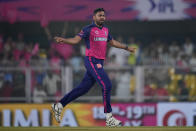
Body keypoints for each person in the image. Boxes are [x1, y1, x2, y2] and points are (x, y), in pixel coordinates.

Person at [51, 8, 136, 127]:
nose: (102, 17)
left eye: (104, 15)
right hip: (91, 60)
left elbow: (112, 42)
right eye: (100, 15)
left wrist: (127, 48)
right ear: (94, 17)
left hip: (99, 62)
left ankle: (59, 105)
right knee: (107, 85)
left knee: (83, 89)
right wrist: (64, 40)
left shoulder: (106, 30)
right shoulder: (88, 29)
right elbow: (76, 40)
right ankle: (109, 118)